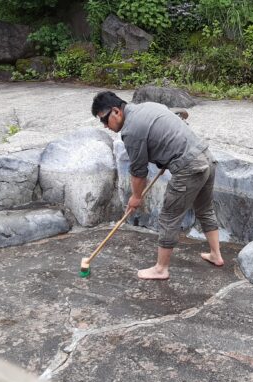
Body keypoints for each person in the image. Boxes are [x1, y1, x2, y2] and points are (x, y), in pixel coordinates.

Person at [91, 91, 224, 280]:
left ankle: (161, 269)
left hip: (189, 166)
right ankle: (216, 255)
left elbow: (138, 171)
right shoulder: (147, 107)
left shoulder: (131, 131)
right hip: (206, 158)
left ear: (115, 111)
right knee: (204, 209)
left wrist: (136, 197)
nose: (105, 126)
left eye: (104, 120)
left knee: (169, 216)